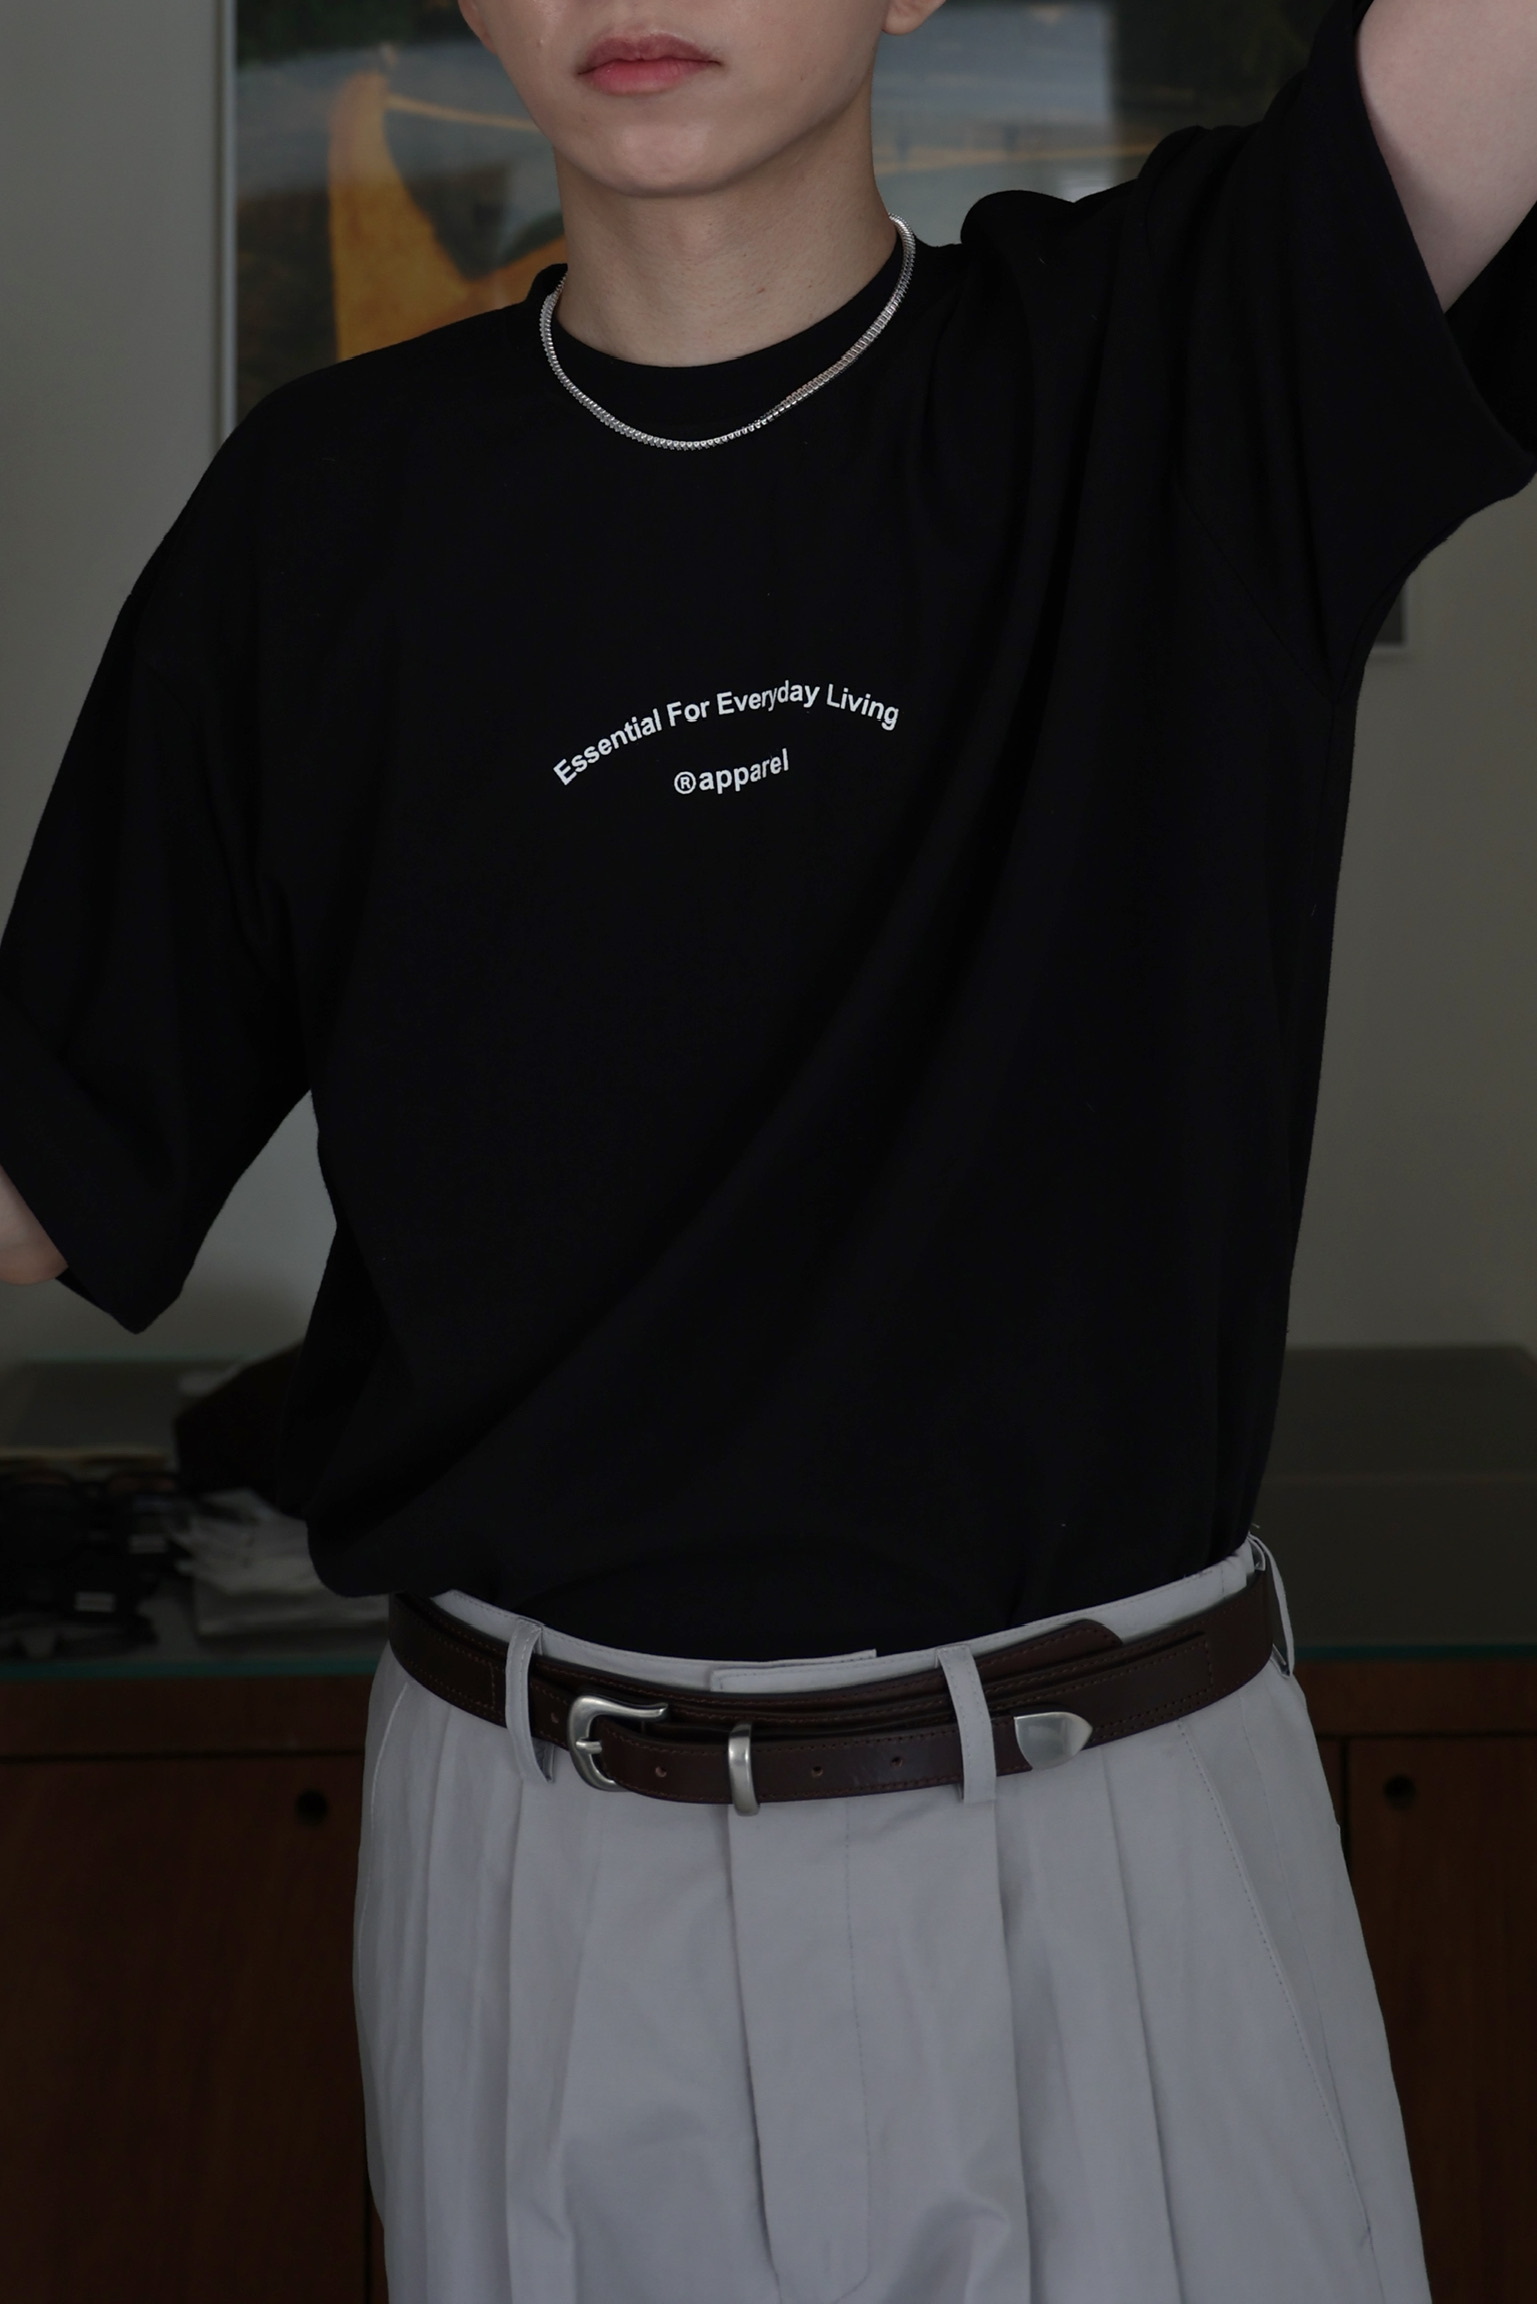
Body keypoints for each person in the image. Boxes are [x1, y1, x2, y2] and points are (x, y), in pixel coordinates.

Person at [2, 0, 1535, 2295]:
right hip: (533, 1883)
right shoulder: (320, 521)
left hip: (1096, 1853)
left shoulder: (1176, 371)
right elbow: (49, 1158)